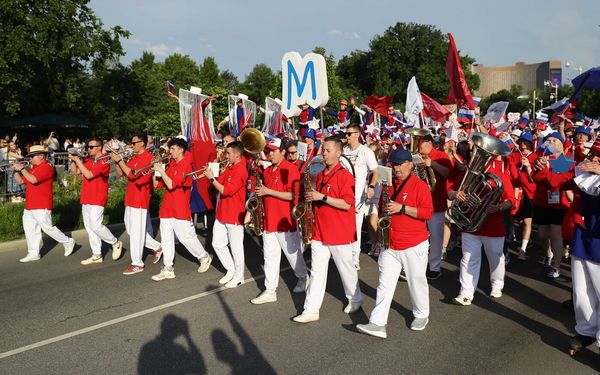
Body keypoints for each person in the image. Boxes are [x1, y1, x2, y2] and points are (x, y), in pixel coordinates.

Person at [532, 138, 600, 355]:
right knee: (582, 290)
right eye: (593, 154)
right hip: (583, 236)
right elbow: (554, 180)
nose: (593, 159)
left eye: (599, 156)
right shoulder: (579, 167)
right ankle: (586, 331)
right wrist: (540, 167)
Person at [356, 149, 433, 338]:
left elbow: (427, 213)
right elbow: (383, 211)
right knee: (384, 283)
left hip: (414, 242)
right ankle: (377, 322)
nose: (396, 167)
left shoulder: (420, 185)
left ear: (410, 164)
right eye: (393, 164)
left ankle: (421, 314)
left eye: (399, 164)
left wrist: (403, 208)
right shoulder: (387, 185)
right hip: (390, 242)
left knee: (416, 281)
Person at [293, 137, 362, 323]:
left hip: (338, 231)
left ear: (338, 153)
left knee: (345, 268)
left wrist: (321, 197)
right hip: (319, 230)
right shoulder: (321, 172)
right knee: (316, 271)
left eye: (327, 150)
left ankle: (355, 298)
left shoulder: (344, 175)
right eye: (323, 149)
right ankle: (311, 309)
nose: (324, 152)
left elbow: (347, 204)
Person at [449, 153, 515, 305]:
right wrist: (455, 194)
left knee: (496, 258)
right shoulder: (468, 173)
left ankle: (497, 284)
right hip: (470, 224)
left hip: (493, 225)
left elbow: (511, 200)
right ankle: (465, 293)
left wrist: (498, 207)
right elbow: (450, 190)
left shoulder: (500, 175)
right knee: (468, 259)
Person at [250, 137, 308, 304]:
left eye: (274, 150)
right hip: (269, 222)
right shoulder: (268, 171)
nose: (270, 154)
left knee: (293, 256)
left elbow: (294, 196)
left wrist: (268, 191)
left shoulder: (290, 169)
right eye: (268, 151)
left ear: (283, 152)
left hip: (285, 222)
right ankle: (270, 290)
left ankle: (304, 277)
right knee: (270, 257)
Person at [151, 138, 213, 281]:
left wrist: (161, 170)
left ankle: (204, 257)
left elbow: (172, 184)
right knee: (166, 240)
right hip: (167, 207)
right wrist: (156, 172)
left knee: (186, 238)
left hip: (179, 207)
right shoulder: (171, 164)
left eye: (172, 149)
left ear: (180, 150)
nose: (169, 151)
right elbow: (157, 185)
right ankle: (168, 268)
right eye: (170, 149)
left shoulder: (185, 165)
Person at [111, 134, 162, 275]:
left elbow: (134, 176)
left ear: (143, 143)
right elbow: (121, 173)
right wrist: (117, 162)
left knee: (136, 233)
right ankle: (157, 247)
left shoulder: (148, 159)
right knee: (131, 231)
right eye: (131, 143)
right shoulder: (134, 157)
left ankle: (137, 263)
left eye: (134, 143)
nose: (131, 145)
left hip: (140, 199)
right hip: (130, 198)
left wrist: (120, 161)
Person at [13, 145, 75, 262]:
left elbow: (33, 180)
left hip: (42, 204)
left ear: (41, 156)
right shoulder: (33, 168)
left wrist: (22, 169)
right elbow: (20, 181)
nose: (30, 158)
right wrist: (15, 171)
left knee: (47, 228)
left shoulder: (46, 167)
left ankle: (68, 241)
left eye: (32, 156)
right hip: (30, 204)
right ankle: (33, 253)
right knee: (30, 229)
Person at [69, 138, 123, 265]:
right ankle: (97, 254)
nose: (88, 149)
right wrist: (73, 161)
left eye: (91, 147)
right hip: (86, 197)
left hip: (97, 197)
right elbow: (76, 172)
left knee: (96, 225)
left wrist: (78, 160)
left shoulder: (104, 160)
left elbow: (89, 175)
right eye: (88, 146)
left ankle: (115, 242)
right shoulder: (88, 160)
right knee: (89, 228)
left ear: (99, 147)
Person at [204, 141, 248, 288]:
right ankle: (231, 270)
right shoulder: (230, 167)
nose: (226, 155)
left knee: (236, 248)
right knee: (217, 243)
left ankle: (239, 275)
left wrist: (211, 178)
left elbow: (226, 191)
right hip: (222, 212)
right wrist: (212, 172)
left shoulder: (241, 170)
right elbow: (217, 183)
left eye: (228, 153)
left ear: (237, 154)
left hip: (234, 214)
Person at [343, 123, 378, 269]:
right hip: (342, 196)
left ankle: (354, 259)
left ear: (357, 134)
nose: (346, 136)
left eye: (349, 134)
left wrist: (371, 186)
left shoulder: (365, 152)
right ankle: (345, 257)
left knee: (355, 229)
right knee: (344, 228)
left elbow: (375, 171)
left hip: (357, 197)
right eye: (346, 133)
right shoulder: (343, 150)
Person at [417, 132, 452, 280]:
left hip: (435, 202)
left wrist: (433, 164)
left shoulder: (441, 156)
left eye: (421, 143)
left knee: (436, 237)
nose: (418, 146)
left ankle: (434, 267)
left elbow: (447, 173)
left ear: (429, 143)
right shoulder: (416, 156)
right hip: (418, 202)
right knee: (418, 236)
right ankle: (417, 266)